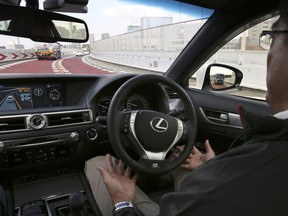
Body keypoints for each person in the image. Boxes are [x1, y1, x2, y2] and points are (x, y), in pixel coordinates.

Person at [85, 0, 288, 215]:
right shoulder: (259, 169)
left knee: (97, 163)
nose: (269, 51)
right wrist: (213, 169)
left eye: (271, 37)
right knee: (178, 162)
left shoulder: (241, 177)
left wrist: (122, 200)